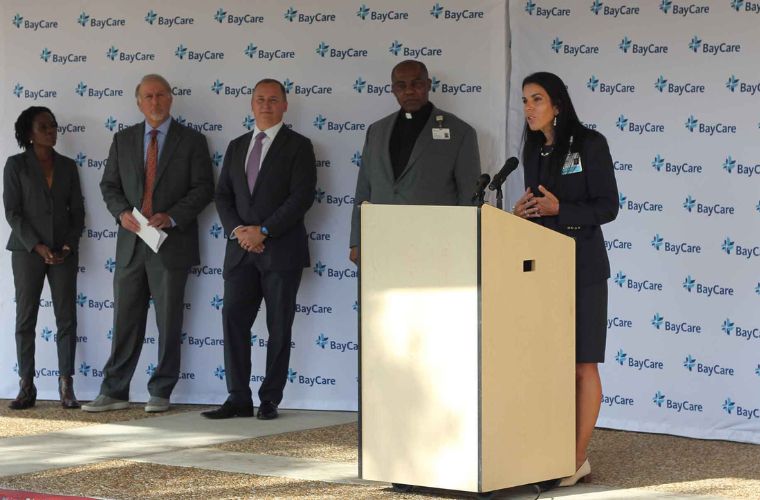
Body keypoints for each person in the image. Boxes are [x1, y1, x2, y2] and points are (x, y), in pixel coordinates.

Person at [82, 74, 214, 413]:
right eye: (147, 96)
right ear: (138, 102)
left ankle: (161, 391)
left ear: (171, 99)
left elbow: (203, 189)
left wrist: (170, 216)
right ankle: (114, 391)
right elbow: (108, 185)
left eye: (160, 95)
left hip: (171, 243)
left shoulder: (192, 141)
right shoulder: (123, 139)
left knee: (169, 321)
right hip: (130, 244)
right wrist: (122, 212)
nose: (154, 102)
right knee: (125, 319)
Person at [513, 71, 618, 486]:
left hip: (584, 268)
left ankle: (575, 459)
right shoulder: (533, 151)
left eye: (536, 100)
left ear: (557, 104)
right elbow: (542, 208)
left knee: (581, 365)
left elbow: (608, 207)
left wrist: (561, 210)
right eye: (524, 101)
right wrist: (523, 215)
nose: (529, 109)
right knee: (547, 367)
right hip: (543, 271)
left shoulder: (591, 144)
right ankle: (548, 450)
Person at [202, 79, 316, 421]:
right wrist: (240, 231)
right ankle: (238, 397)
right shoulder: (237, 146)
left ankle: (269, 400)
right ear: (251, 105)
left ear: (284, 105)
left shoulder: (299, 146)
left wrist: (264, 230)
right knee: (234, 323)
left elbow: (301, 197)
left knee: (279, 327)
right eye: (260, 99)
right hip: (240, 253)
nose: (266, 104)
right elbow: (222, 195)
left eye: (273, 99)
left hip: (281, 252)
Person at [348, 60, 481, 262]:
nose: (409, 91)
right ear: (393, 90)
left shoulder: (460, 132)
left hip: (435, 245)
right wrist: (357, 240)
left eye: (416, 84)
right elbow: (363, 190)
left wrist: (466, 243)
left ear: (428, 85)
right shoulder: (376, 131)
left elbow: (469, 195)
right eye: (401, 86)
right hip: (380, 240)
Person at [3, 106, 85, 409]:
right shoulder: (15, 165)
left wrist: (66, 246)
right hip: (27, 251)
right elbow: (13, 212)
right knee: (26, 319)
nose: (51, 131)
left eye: (53, 126)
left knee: (67, 317)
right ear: (29, 133)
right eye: (44, 127)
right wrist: (38, 246)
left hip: (63, 252)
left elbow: (77, 213)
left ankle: (66, 386)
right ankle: (27, 386)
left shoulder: (67, 166)